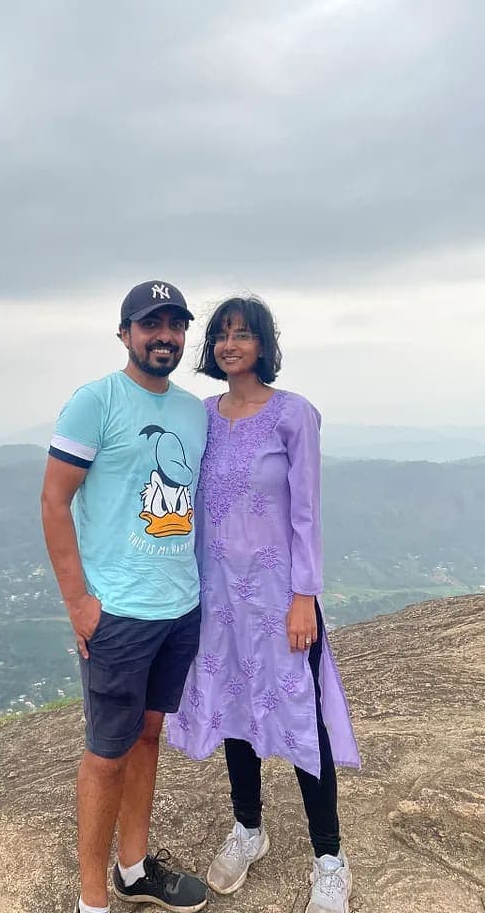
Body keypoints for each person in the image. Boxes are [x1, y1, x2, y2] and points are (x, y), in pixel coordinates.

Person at [167, 295, 360, 913]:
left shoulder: (293, 414)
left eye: (243, 333)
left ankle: (329, 858)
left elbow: (306, 512)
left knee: (302, 716)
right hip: (218, 598)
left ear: (263, 345)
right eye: (222, 334)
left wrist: (305, 596)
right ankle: (248, 828)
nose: (230, 344)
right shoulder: (201, 416)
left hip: (279, 599)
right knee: (233, 707)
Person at [41, 281, 209, 913]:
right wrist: (79, 604)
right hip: (118, 613)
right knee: (106, 755)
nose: (164, 335)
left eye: (175, 324)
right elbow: (54, 501)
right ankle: (92, 901)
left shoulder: (193, 411)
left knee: (147, 737)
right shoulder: (96, 401)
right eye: (150, 324)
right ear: (125, 333)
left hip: (178, 607)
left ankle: (133, 870)